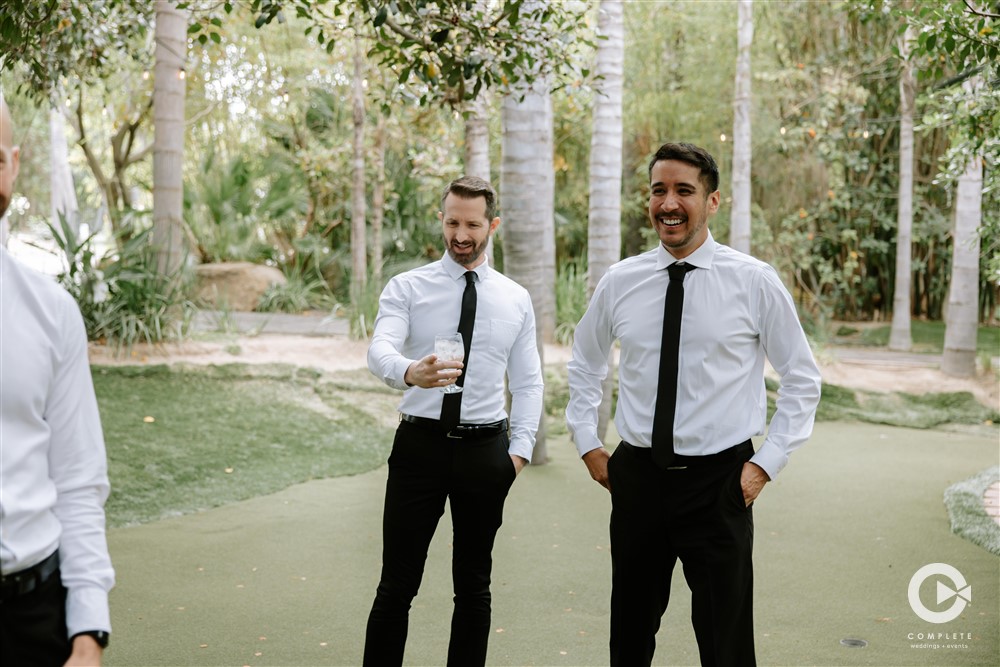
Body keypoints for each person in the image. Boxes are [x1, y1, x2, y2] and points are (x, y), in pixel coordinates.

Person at [566, 142, 822, 666]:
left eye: (684, 190)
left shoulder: (753, 281)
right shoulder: (621, 281)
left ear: (712, 201)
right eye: (659, 190)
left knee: (724, 640)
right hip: (638, 479)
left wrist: (762, 467)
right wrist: (588, 442)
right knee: (630, 637)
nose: (669, 203)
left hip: (720, 484)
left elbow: (802, 378)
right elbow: (585, 362)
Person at [363, 175, 544, 666]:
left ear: (493, 226)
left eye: (471, 224)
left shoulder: (515, 298)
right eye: (451, 222)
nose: (460, 235)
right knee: (396, 585)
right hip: (418, 450)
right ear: (441, 219)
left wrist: (518, 455)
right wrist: (408, 371)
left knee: (474, 587)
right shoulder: (407, 286)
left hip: (486, 453)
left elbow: (528, 383)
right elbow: (379, 348)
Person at [0, 92, 115, 666]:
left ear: (14, 164)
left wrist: (88, 633)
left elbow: (77, 479)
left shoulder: (52, 311)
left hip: (32, 616)